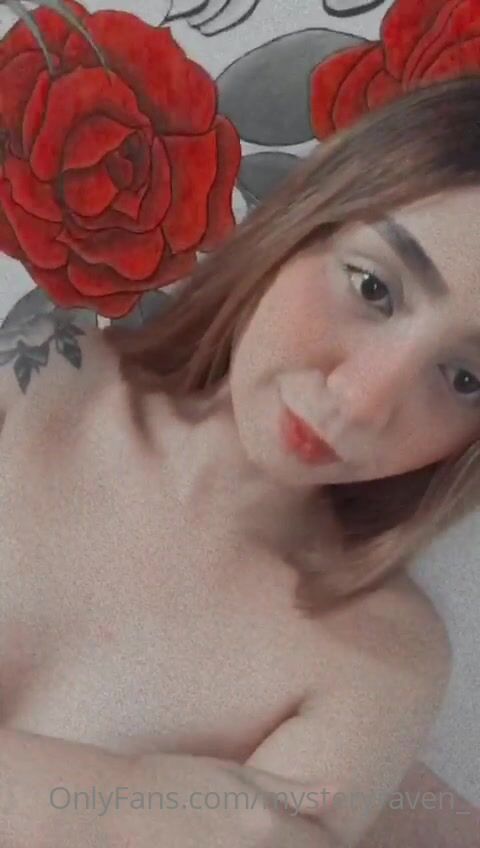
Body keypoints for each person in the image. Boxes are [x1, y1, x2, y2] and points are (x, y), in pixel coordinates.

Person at [2, 73, 480, 848]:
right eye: (372, 287)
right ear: (302, 222)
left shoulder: (381, 658)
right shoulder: (38, 376)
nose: (362, 401)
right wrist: (136, 805)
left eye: (465, 380)